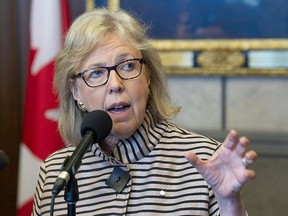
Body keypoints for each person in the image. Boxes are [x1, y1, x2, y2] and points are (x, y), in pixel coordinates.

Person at [32, 8, 257, 215]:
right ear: (75, 92)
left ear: (147, 77)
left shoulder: (205, 160)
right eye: (96, 73)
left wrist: (230, 204)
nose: (115, 83)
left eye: (128, 66)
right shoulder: (57, 173)